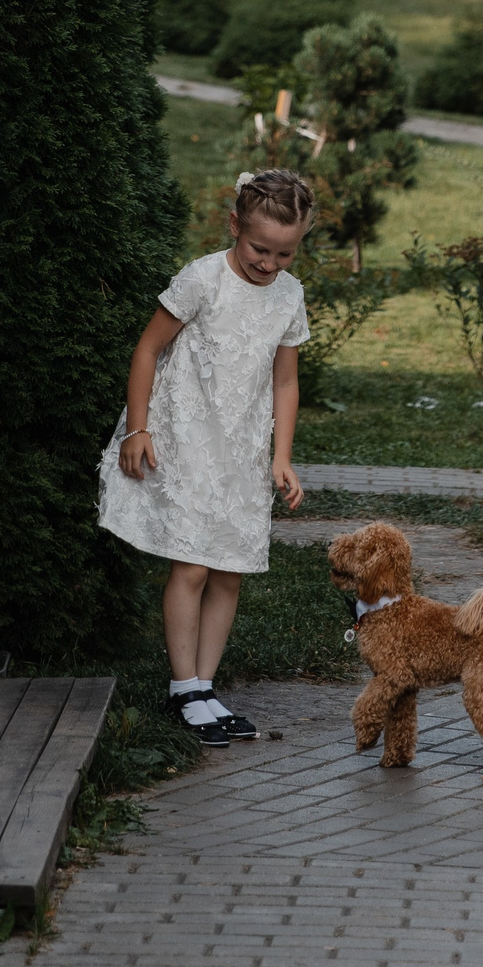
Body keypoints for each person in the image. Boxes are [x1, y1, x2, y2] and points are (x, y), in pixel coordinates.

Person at [98, 169, 313, 746]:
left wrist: (282, 455)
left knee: (229, 570)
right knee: (191, 564)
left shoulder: (289, 296)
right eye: (259, 249)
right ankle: (183, 686)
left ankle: (206, 687)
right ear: (234, 225)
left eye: (284, 254)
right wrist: (136, 429)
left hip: (241, 448)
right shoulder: (203, 280)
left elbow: (285, 382)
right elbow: (147, 350)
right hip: (186, 439)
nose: (269, 264)